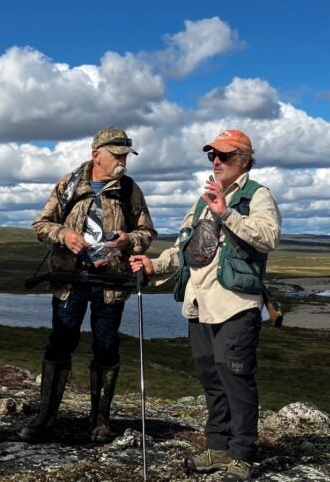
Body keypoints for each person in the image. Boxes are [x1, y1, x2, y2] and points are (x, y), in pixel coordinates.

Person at [130, 129, 281, 481]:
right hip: (199, 304)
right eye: (212, 155)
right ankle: (218, 447)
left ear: (244, 159)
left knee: (236, 379)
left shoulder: (257, 195)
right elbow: (185, 248)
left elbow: (269, 237)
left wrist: (227, 213)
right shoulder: (203, 200)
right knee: (211, 377)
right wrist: (155, 266)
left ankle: (242, 455)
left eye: (224, 155)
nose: (216, 161)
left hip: (235, 304)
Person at [19, 126, 157, 443]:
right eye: (117, 155)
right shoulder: (68, 184)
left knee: (106, 347)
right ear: (97, 155)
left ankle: (100, 420)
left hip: (110, 283)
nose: (123, 161)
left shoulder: (130, 190)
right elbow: (41, 225)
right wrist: (64, 236)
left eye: (126, 155)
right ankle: (46, 418)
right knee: (60, 343)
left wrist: (127, 241)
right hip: (70, 281)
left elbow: (147, 233)